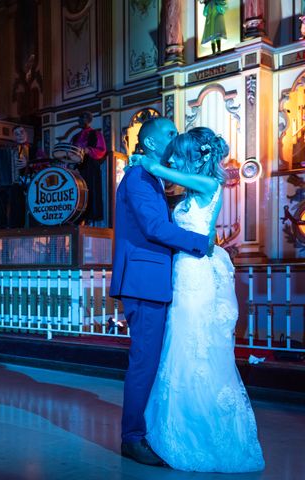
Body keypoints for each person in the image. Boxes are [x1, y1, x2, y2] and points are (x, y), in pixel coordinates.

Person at [134, 128, 265, 472]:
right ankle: (175, 426)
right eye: (172, 154)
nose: (173, 159)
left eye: (179, 154)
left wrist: (145, 163)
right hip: (182, 274)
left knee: (195, 347)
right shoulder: (191, 193)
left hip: (196, 278)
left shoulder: (211, 186)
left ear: (195, 157)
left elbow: (162, 170)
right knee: (178, 347)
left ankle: (200, 432)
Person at [109, 117, 214, 467]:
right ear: (151, 144)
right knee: (144, 361)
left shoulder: (151, 177)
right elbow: (154, 228)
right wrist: (202, 244)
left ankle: (146, 429)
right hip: (143, 282)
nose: (177, 136)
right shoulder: (139, 178)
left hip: (152, 280)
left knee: (152, 360)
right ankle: (132, 438)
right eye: (170, 133)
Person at [0, 125, 44, 229]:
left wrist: (29, 163)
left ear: (26, 133)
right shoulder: (10, 150)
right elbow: (0, 166)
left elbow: (44, 164)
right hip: (13, 182)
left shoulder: (35, 150)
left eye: (22, 132)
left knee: (14, 189)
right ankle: (0, 224)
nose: (20, 135)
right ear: (14, 137)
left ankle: (15, 224)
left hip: (31, 181)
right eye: (17, 134)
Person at [71, 111, 107, 224]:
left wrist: (88, 150)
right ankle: (78, 216)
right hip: (78, 168)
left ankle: (90, 220)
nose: (81, 121)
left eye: (83, 119)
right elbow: (70, 152)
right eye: (80, 119)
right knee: (78, 192)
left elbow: (102, 150)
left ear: (89, 120)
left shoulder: (96, 134)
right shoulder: (75, 137)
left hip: (91, 167)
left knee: (91, 192)